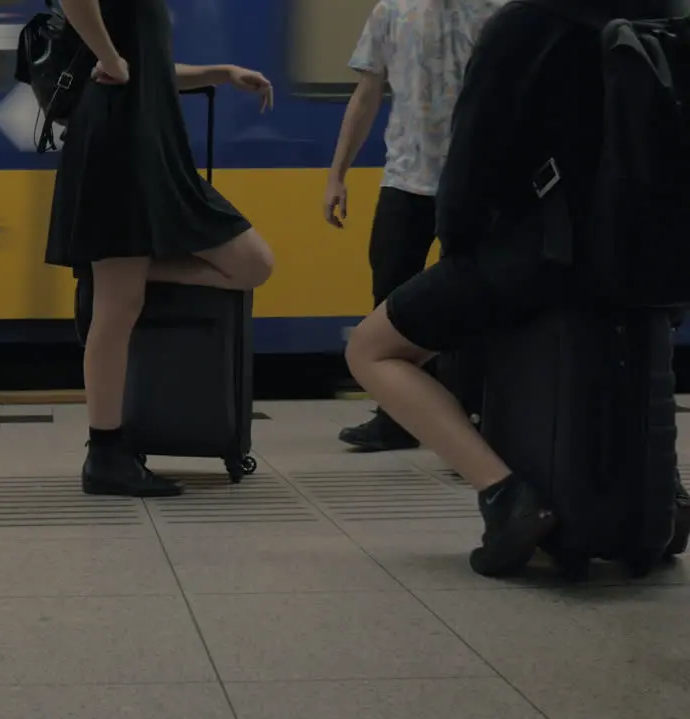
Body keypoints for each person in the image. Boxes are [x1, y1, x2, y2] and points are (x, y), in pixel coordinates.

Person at [343, 0, 680, 577]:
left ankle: (506, 497)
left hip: (541, 258)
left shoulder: (526, 25)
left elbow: (472, 164)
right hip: (646, 263)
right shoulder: (660, 12)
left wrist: (458, 248)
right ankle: (664, 490)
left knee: (372, 349)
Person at [47, 0, 276, 498]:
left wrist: (221, 72)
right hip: (119, 140)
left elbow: (146, 69)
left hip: (151, 146)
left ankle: (112, 276)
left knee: (251, 263)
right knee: (118, 307)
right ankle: (105, 453)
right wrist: (107, 58)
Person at [326, 0, 505, 452]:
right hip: (405, 180)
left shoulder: (500, 10)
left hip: (477, 182)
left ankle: (472, 414)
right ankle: (396, 418)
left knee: (470, 300)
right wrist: (337, 174)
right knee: (389, 293)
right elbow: (367, 92)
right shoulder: (392, 10)